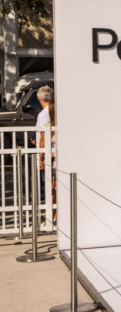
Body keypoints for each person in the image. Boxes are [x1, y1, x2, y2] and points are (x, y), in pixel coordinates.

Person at [35, 85, 56, 226]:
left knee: (50, 187)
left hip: (49, 155)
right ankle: (55, 216)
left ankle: (51, 218)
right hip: (56, 153)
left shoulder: (43, 114)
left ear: (38, 98)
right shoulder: (55, 111)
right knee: (55, 187)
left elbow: (43, 137)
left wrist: (40, 157)